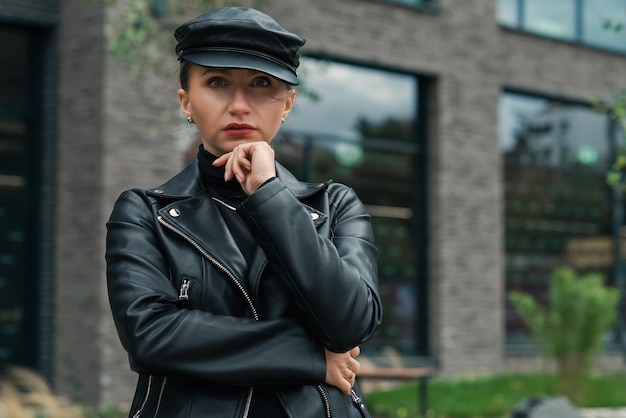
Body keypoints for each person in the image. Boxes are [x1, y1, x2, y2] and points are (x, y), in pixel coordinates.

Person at [105, 6, 383, 418]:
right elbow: (151, 336)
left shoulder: (336, 205)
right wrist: (311, 356)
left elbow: (349, 324)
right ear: (186, 102)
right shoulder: (145, 212)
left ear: (287, 103)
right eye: (217, 82)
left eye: (261, 84)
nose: (239, 105)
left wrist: (270, 195)